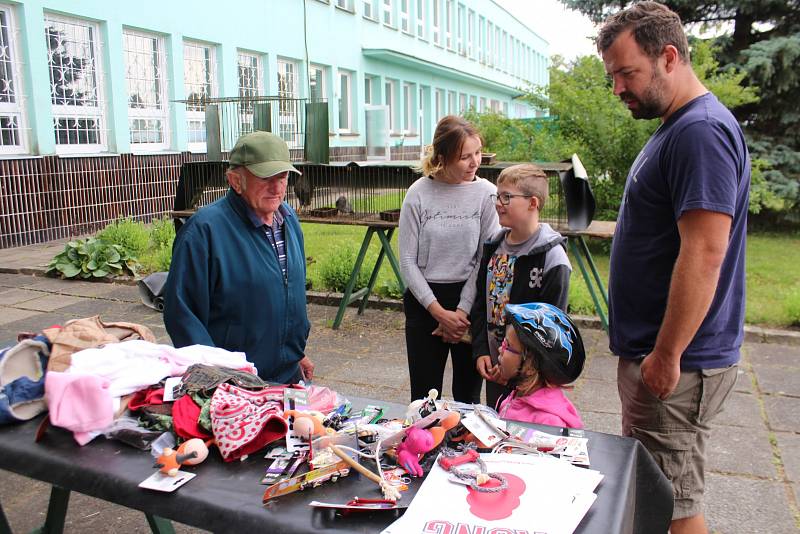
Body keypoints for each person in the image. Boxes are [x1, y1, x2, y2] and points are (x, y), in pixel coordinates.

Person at [598, 3, 750, 532]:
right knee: (658, 497)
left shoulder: (699, 132)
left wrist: (666, 355)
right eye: (611, 76)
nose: (617, 88)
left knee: (671, 507)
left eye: (626, 72)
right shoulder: (677, 126)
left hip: (676, 365)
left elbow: (706, 252)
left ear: (668, 57)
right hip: (661, 357)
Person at [163, 131, 314, 384]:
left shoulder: (287, 218)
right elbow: (182, 317)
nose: (277, 187)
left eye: (283, 176)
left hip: (286, 376)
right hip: (234, 383)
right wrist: (219, 379)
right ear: (235, 180)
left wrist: (294, 353)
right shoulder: (204, 232)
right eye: (266, 177)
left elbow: (287, 293)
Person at [399, 115, 500, 403]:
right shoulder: (418, 193)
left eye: (477, 153)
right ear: (442, 157)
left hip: (470, 302)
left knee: (468, 399)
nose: (474, 163)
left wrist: (461, 312)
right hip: (425, 303)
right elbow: (407, 261)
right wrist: (439, 312)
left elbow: (485, 258)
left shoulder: (487, 194)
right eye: (464, 157)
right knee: (423, 398)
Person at [470, 164, 572, 410]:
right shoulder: (493, 247)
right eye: (498, 196)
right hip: (495, 369)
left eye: (507, 197)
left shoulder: (553, 258)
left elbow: (550, 328)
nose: (498, 203)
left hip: (531, 380)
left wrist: (516, 367)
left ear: (532, 203)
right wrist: (482, 350)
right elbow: (480, 303)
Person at [494, 302, 584, 428]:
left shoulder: (549, 423)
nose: (500, 349)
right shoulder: (515, 396)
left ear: (531, 366)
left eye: (507, 346)